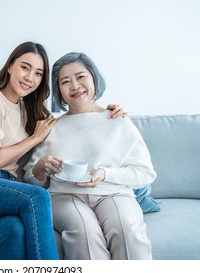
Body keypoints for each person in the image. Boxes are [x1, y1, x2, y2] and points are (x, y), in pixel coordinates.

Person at [0, 42, 125, 260]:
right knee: (38, 197)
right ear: (10, 66)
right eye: (25, 67)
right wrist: (34, 138)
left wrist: (103, 112)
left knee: (13, 231)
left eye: (38, 73)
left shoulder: (33, 111)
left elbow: (72, 119)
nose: (30, 77)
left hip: (5, 191)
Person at [24, 52, 157, 260]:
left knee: (127, 228)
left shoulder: (118, 120)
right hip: (64, 195)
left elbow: (145, 173)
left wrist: (105, 173)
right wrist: (41, 166)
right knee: (83, 232)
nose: (75, 86)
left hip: (113, 193)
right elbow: (31, 180)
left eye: (80, 76)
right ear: (59, 90)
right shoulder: (52, 127)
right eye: (65, 81)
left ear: (94, 78)